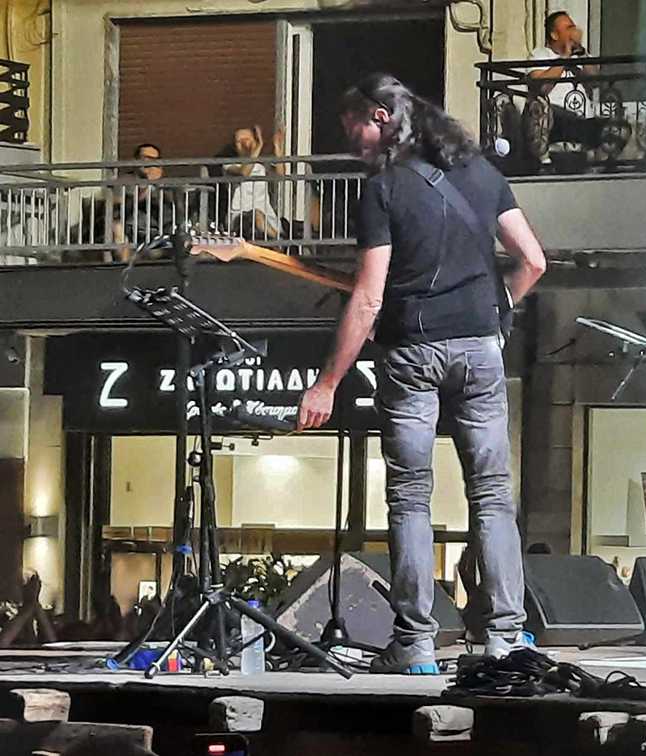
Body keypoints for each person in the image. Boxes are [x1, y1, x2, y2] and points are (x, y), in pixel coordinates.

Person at [296, 73, 547, 674]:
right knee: (493, 495)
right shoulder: (482, 174)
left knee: (411, 496)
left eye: (353, 128)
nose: (351, 142)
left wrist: (327, 383)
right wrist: (496, 315)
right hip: (481, 351)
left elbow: (368, 298)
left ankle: (415, 644)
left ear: (381, 117)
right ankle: (505, 638)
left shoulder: (384, 189)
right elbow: (534, 261)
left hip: (412, 352)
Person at [526, 11, 624, 160]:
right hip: (556, 121)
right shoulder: (540, 54)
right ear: (554, 35)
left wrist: (581, 52)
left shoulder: (581, 56)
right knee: (543, 112)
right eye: (569, 28)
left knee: (620, 128)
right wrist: (564, 57)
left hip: (582, 121)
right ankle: (544, 164)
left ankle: (600, 167)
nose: (574, 31)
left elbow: (596, 82)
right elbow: (542, 87)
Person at [223, 125, 287, 240]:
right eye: (239, 141)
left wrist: (278, 148)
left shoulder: (262, 165)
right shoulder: (229, 165)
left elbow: (280, 174)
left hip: (265, 214)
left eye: (247, 139)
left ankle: (278, 242)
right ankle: (280, 242)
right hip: (240, 215)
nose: (244, 143)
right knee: (256, 215)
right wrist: (259, 146)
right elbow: (244, 173)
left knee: (259, 216)